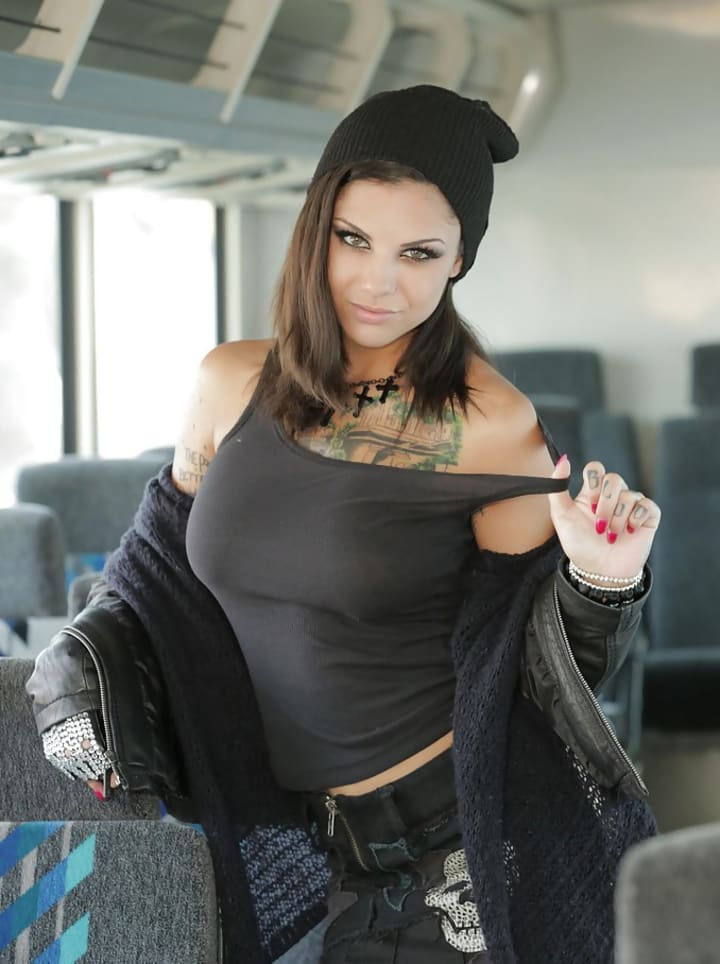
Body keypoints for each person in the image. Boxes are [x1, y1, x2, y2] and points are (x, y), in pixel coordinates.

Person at [27, 85, 661, 964]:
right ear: (314, 227)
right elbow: (157, 569)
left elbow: (537, 671)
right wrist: (82, 649)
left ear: (459, 262)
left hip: (451, 854)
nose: (378, 281)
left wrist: (599, 579)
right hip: (278, 836)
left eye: (419, 252)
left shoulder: (491, 423)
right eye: (352, 238)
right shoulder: (229, 382)